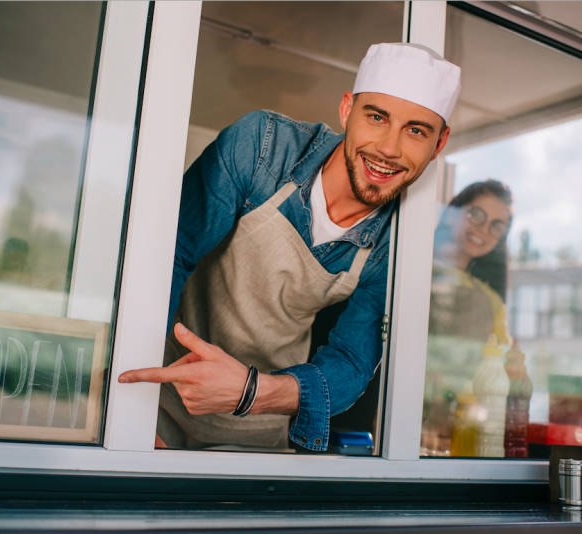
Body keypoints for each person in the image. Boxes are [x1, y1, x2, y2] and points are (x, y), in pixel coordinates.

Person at [119, 43, 462, 451]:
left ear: (439, 144)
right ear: (346, 110)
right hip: (156, 395)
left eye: (416, 131)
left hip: (257, 425)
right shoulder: (264, 146)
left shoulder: (397, 244)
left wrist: (253, 392)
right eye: (376, 117)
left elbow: (352, 362)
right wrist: (130, 410)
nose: (389, 148)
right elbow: (168, 256)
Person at [429, 180, 514, 345]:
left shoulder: (492, 302)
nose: (484, 229)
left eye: (497, 226)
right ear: (452, 213)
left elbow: (502, 356)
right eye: (476, 214)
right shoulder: (412, 268)